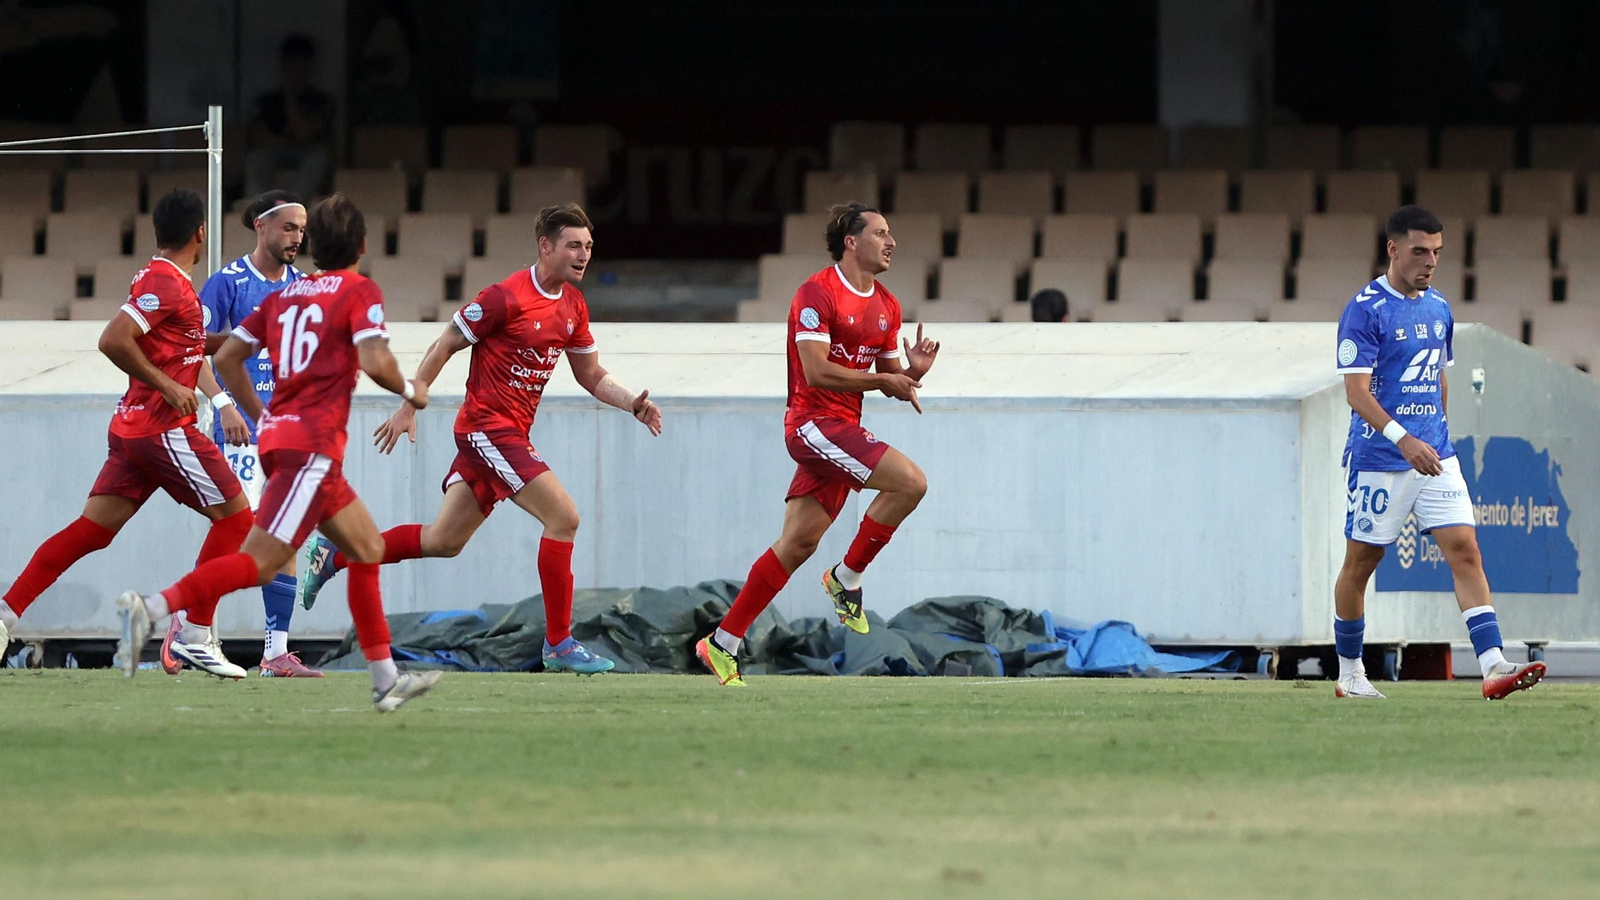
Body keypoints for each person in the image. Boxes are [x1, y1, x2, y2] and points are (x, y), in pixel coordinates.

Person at [294, 203, 662, 676]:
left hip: (509, 434)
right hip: (487, 428)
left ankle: (334, 555)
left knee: (443, 540)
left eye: (588, 246)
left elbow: (589, 374)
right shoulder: (504, 298)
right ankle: (558, 643)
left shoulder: (573, 306)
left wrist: (632, 403)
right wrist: (410, 403)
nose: (583, 255)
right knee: (564, 517)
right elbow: (445, 343)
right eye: (574, 245)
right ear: (545, 246)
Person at [116, 194, 440, 712]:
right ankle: (153, 610)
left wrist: (262, 417)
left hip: (288, 444)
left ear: (313, 243)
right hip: (308, 449)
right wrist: (411, 390)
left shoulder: (287, 295)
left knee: (366, 549)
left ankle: (385, 681)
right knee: (260, 563)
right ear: (361, 246)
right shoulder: (358, 289)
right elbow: (375, 359)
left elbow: (227, 355)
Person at [0, 190, 253, 668]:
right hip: (163, 429)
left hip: (134, 432)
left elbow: (188, 343)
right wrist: (169, 386)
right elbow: (113, 339)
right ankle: (195, 632)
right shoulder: (166, 282)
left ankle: (4, 616)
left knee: (91, 531)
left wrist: (247, 341)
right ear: (201, 233)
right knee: (237, 519)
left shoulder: (165, 280)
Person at [694, 202, 939, 687]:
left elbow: (889, 377)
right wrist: (882, 380)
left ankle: (722, 643)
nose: (891, 242)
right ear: (851, 242)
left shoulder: (888, 306)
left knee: (798, 543)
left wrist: (911, 372)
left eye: (890, 234)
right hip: (812, 425)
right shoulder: (817, 292)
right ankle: (847, 578)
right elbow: (816, 370)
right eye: (880, 233)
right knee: (911, 483)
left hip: (841, 433)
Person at [1331, 204, 1546, 700]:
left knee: (1465, 549)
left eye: (1437, 252)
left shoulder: (1439, 307)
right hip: (1381, 459)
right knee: (1361, 563)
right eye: (1420, 251)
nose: (1430, 262)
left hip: (1435, 455)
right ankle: (1350, 674)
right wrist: (1404, 440)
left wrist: (1439, 436)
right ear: (1393, 249)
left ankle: (1493, 666)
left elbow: (1438, 377)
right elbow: (1356, 393)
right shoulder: (1365, 309)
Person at [166, 190, 321, 678]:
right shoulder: (227, 283)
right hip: (241, 435)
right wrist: (224, 404)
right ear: (260, 225)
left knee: (285, 538)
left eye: (302, 229)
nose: (297, 237)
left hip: (288, 434)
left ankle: (275, 653)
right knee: (239, 536)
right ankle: (187, 621)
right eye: (289, 227)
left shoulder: (305, 286)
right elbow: (193, 353)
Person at [245, 33, 334, 199]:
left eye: (302, 64)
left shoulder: (320, 101)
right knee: (256, 158)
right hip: (276, 151)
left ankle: (292, 203)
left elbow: (305, 134)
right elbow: (257, 138)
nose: (297, 70)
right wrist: (287, 142)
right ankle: (259, 204)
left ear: (310, 65)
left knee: (319, 158)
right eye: (292, 63)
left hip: (306, 154)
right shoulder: (268, 100)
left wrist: (290, 99)